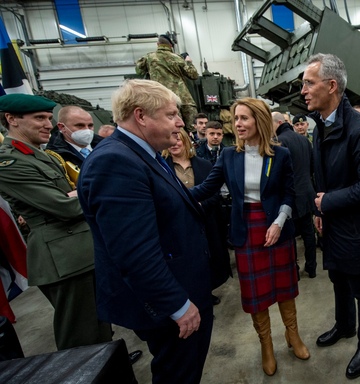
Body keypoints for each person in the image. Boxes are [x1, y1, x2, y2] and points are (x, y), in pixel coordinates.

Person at [78, 79, 213, 384]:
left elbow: (167, 205)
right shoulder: (115, 162)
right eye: (170, 115)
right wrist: (177, 306)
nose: (180, 122)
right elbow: (135, 252)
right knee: (177, 374)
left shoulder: (144, 155)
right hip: (171, 305)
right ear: (140, 116)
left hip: (181, 289)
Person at [191, 97, 310, 376]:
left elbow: (288, 193)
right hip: (247, 230)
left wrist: (280, 222)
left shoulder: (280, 154)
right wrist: (174, 194)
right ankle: (266, 345)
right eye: (236, 119)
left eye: (244, 118)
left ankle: (292, 336)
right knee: (256, 294)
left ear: (260, 120)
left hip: (275, 228)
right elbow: (207, 188)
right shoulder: (229, 155)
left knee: (284, 287)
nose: (238, 124)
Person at [0, 94, 112, 351]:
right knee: (80, 337)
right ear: (11, 120)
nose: (47, 125)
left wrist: (76, 194)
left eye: (49, 118)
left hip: (80, 251)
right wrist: (88, 194)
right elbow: (65, 207)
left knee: (99, 324)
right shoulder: (9, 161)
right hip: (62, 259)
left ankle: (109, 363)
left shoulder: (43, 156)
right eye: (39, 118)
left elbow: (74, 193)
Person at [301, 53, 360, 380]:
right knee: (337, 279)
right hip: (333, 223)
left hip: (356, 228)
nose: (304, 90)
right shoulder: (321, 126)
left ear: (332, 85)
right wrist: (318, 210)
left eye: (310, 83)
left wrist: (329, 202)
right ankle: (345, 326)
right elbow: (320, 177)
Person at [162, 128, 231, 304]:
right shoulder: (160, 167)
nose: (175, 144)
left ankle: (205, 294)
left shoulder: (204, 165)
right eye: (171, 140)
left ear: (186, 142)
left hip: (205, 221)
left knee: (207, 259)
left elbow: (214, 193)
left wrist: (201, 205)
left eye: (178, 139)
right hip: (177, 224)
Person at [272, 111, 317, 278]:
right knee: (308, 234)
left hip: (290, 196)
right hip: (306, 193)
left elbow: (279, 174)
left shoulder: (278, 142)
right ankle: (312, 268)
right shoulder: (304, 140)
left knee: (290, 236)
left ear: (276, 123)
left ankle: (295, 272)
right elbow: (312, 167)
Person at [136, 34, 199, 131]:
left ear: (158, 44)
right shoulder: (178, 58)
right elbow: (193, 75)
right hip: (184, 99)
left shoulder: (149, 57)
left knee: (175, 130)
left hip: (163, 99)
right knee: (195, 129)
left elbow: (139, 71)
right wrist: (189, 62)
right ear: (171, 46)